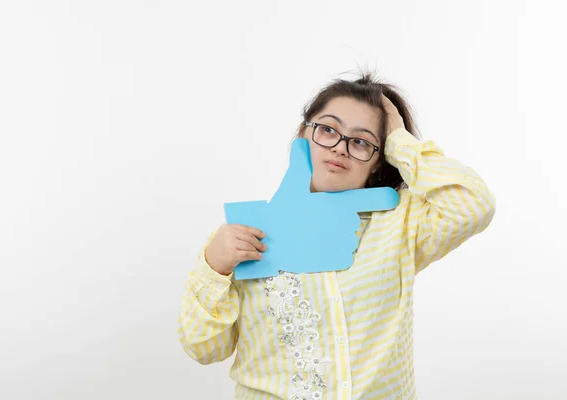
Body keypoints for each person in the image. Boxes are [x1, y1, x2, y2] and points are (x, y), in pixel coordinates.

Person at [177, 71, 496, 399]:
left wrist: (399, 139)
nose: (340, 148)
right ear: (303, 135)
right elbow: (204, 348)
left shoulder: (400, 223)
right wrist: (213, 268)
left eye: (361, 141)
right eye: (328, 130)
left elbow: (473, 204)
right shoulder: (247, 235)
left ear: (378, 159)